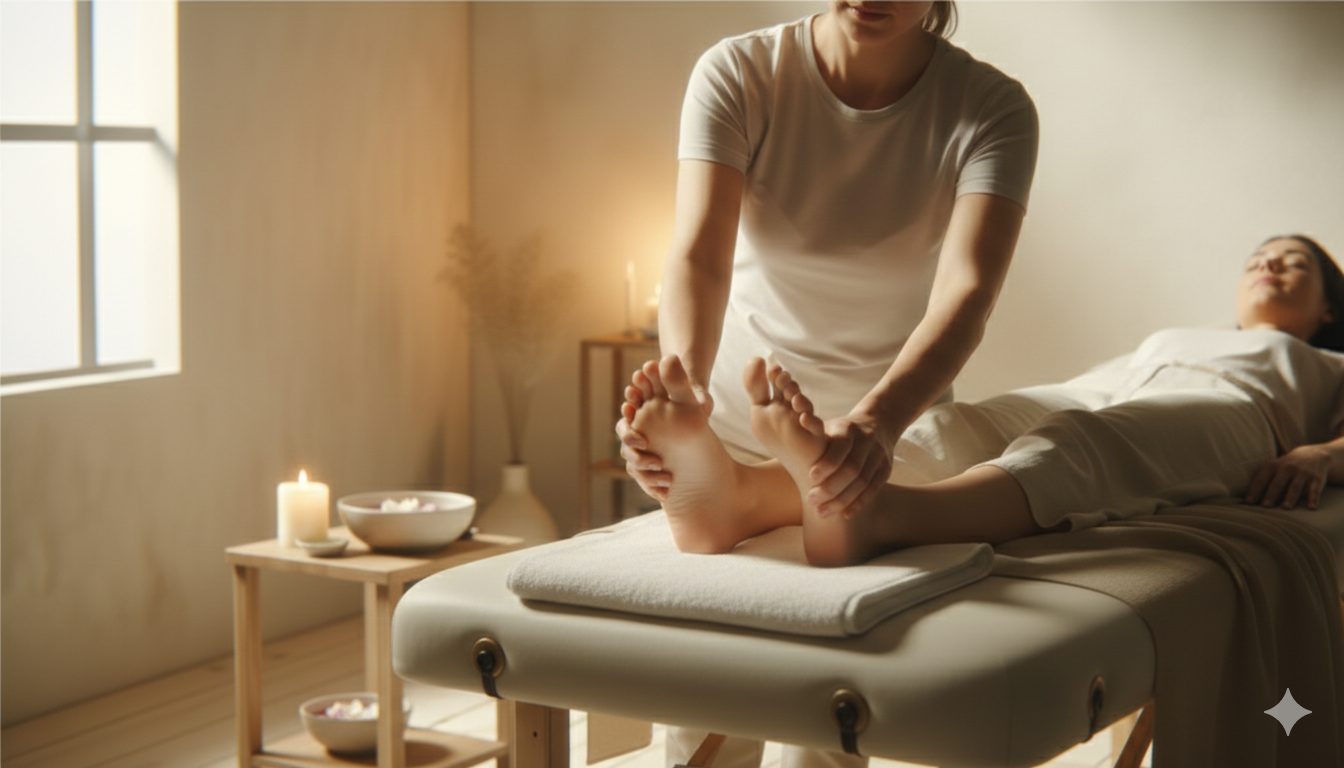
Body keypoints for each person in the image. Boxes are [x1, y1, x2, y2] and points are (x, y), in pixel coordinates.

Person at [616, 3, 1036, 765]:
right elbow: (699, 256)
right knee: (697, 707)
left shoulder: (991, 107)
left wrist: (875, 426)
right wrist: (686, 384)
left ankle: (757, 491)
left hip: (886, 435)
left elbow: (966, 293)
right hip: (742, 418)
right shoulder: (740, 72)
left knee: (820, 710)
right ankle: (718, 470)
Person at [626, 235, 1344, 568]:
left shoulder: (1323, 363)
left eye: (1293, 261)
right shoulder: (1180, 332)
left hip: (1235, 410)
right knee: (969, 423)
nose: (1267, 264)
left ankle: (886, 517)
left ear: (1329, 310)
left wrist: (1318, 452)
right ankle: (744, 498)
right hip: (1117, 381)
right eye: (1256, 256)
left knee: (1080, 444)